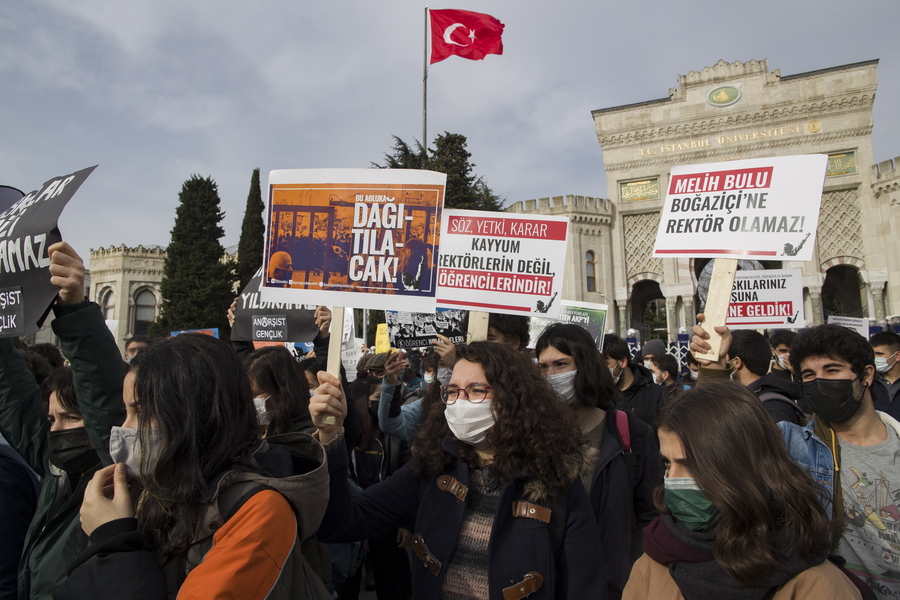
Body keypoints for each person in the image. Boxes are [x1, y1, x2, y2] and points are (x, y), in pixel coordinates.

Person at [311, 341, 610, 599]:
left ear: (513, 398)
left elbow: (585, 587)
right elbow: (340, 522)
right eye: (452, 391)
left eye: (477, 389)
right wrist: (330, 438)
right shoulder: (431, 470)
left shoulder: (555, 482)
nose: (461, 402)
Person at [56, 333, 331, 599]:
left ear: (192, 413)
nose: (125, 428)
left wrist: (112, 539)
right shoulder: (156, 488)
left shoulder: (261, 510)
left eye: (141, 411)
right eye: (126, 411)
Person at [695, 322, 900, 598]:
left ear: (866, 375)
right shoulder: (790, 444)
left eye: (832, 370)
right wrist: (713, 370)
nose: (819, 381)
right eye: (808, 374)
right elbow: (718, 444)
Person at [623, 382, 862, 599]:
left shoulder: (816, 585)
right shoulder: (655, 559)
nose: (671, 479)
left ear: (741, 467)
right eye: (667, 463)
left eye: (690, 465)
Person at [0, 242, 126, 600]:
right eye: (51, 417)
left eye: (70, 417)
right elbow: (14, 399)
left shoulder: (116, 480)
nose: (53, 429)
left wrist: (73, 308)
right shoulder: (55, 472)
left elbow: (104, 398)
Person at [535, 323, 661, 598]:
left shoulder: (633, 434)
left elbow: (651, 515)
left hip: (611, 585)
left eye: (561, 364)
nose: (551, 376)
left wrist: (634, 574)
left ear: (586, 366)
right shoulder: (529, 435)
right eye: (543, 368)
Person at [693, 327, 805, 425]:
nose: (723, 365)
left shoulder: (771, 408)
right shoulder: (746, 399)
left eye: (724, 360)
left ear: (736, 362)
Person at [603, 334, 665, 426]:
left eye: (605, 364)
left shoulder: (657, 394)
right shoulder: (600, 396)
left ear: (623, 362)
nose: (601, 369)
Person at [870, 331, 900, 420]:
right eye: (873, 354)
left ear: (897, 356)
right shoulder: (867, 381)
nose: (875, 358)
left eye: (879, 354)